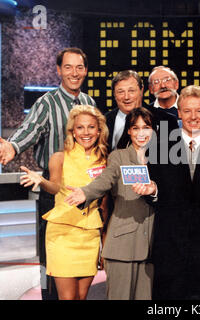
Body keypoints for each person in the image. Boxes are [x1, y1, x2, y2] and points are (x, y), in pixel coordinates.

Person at [0, 47, 95, 300]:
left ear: (85, 70)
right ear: (58, 70)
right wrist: (12, 145)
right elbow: (28, 129)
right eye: (68, 67)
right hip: (55, 193)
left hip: (85, 195)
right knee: (53, 269)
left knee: (81, 270)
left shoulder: (89, 103)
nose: (74, 73)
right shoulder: (46, 103)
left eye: (79, 67)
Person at [146, 85, 200, 299]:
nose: (193, 116)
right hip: (170, 248)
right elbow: (152, 195)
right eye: (187, 111)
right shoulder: (158, 148)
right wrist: (153, 192)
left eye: (198, 110)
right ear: (179, 113)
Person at [65, 107, 156, 300]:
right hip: (122, 246)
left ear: (153, 130)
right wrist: (86, 192)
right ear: (129, 131)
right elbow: (106, 179)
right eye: (135, 128)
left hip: (153, 247)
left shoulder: (163, 160)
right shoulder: (119, 157)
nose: (141, 133)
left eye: (146, 127)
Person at [20, 105, 108, 300]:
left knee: (81, 296)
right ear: (72, 132)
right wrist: (42, 181)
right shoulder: (59, 157)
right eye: (80, 127)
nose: (86, 132)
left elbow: (105, 205)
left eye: (91, 127)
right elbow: (55, 186)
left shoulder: (105, 160)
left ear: (99, 130)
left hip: (90, 235)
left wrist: (105, 241)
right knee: (67, 298)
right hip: (62, 234)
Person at [107, 70, 178, 151]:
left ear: (141, 90)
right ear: (114, 94)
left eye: (131, 91)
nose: (126, 97)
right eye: (121, 92)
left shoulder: (166, 120)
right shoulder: (104, 121)